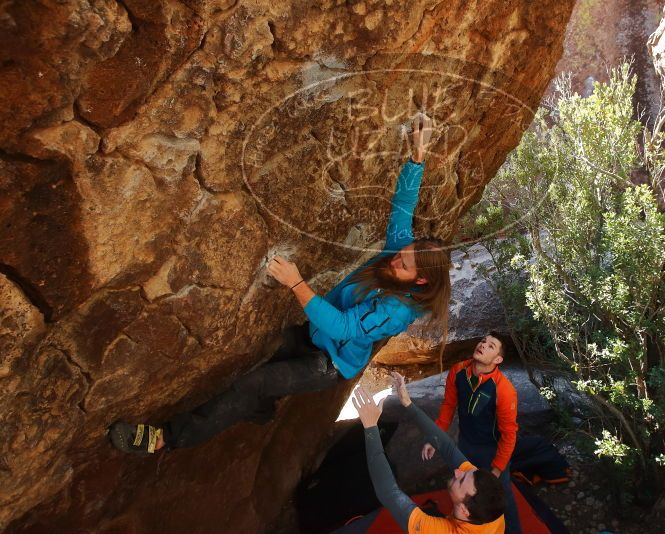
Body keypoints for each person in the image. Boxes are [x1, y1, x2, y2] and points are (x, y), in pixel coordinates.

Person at [109, 113, 452, 455]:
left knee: (255, 383)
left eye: (403, 263)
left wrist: (297, 284)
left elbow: (344, 326)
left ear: (420, 279)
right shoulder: (401, 253)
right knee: (258, 358)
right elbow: (403, 207)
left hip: (328, 362)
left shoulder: (397, 310)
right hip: (312, 334)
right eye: (401, 252)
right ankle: (260, 408)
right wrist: (417, 158)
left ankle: (164, 438)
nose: (394, 259)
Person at [352, 372, 506, 533]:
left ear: (465, 511)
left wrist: (370, 427)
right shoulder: (482, 496)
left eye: (460, 481)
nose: (458, 471)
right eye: (466, 474)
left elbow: (389, 494)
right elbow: (447, 447)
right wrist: (408, 403)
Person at [421, 333, 521, 534]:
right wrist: (435, 437)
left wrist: (496, 470)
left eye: (491, 346)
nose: (483, 345)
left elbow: (509, 435)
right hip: (465, 444)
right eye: (483, 341)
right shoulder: (458, 371)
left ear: (498, 359)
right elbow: (448, 406)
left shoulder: (504, 390)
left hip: (491, 452)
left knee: (501, 497)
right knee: (465, 496)